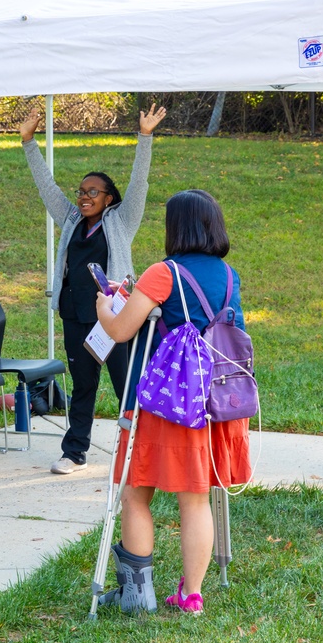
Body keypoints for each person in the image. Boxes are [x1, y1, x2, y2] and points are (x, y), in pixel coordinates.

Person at [95, 190, 251, 615]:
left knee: (134, 493)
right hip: (213, 402)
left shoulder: (164, 273)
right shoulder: (229, 275)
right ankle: (191, 595)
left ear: (175, 227)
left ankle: (137, 595)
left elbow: (122, 330)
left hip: (165, 404)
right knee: (195, 499)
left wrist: (105, 306)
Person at [20, 104, 167, 475]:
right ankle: (74, 452)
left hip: (115, 317)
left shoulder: (122, 220)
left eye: (93, 192)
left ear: (108, 198)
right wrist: (29, 142)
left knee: (125, 384)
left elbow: (139, 184)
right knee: (83, 386)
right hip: (75, 315)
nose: (84, 197)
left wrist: (144, 137)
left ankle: (141, 449)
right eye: (82, 191)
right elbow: (47, 188)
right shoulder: (71, 220)